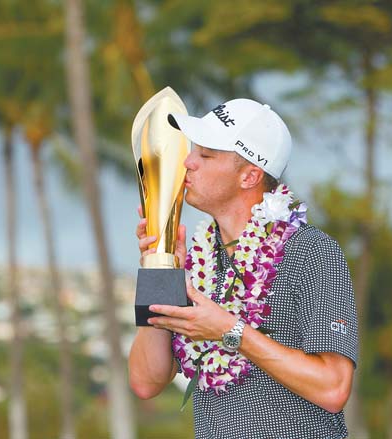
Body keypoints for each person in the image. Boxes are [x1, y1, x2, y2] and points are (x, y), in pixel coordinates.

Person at [128, 98, 358, 439]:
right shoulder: (199, 259)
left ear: (250, 175)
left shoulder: (311, 251)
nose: (188, 162)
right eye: (193, 151)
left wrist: (229, 330)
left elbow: (334, 388)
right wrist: (159, 268)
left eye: (206, 155)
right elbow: (146, 382)